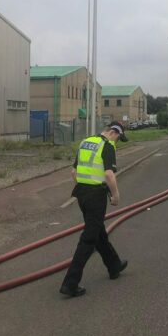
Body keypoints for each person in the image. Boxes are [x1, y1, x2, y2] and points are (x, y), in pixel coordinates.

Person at [59, 121, 129, 297]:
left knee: (98, 233)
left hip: (82, 193)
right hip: (96, 196)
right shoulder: (107, 146)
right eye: (119, 138)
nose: (117, 142)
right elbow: (108, 174)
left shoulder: (86, 142)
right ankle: (70, 283)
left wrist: (84, 188)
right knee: (88, 239)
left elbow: (73, 172)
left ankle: (114, 265)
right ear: (114, 133)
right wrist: (116, 195)